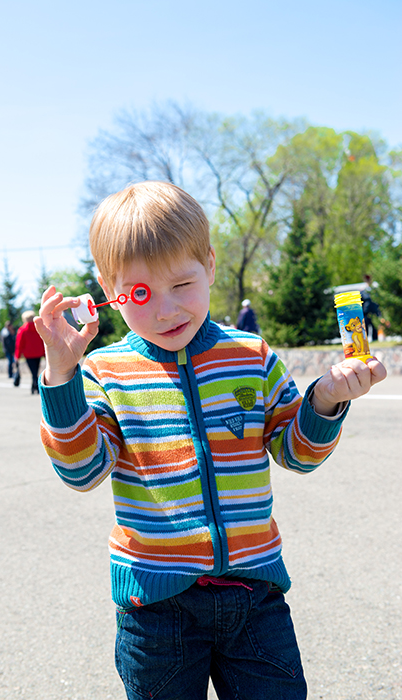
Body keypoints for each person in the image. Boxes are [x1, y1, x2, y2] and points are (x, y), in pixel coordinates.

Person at [34, 181, 387, 700]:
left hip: (255, 595)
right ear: (110, 291)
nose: (166, 310)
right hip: (157, 609)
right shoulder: (106, 371)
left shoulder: (251, 354)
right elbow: (81, 471)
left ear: (211, 267)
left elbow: (297, 452)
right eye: (140, 294)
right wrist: (62, 376)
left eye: (182, 284)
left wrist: (327, 400)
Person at [15, 311, 45, 394]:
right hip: (38, 353)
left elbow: (19, 344)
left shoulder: (22, 330)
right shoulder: (38, 328)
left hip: (28, 354)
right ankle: (35, 386)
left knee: (33, 371)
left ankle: (34, 386)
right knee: (36, 370)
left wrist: (17, 356)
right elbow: (42, 341)